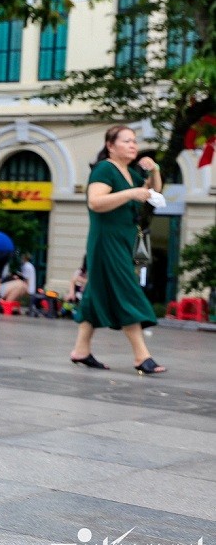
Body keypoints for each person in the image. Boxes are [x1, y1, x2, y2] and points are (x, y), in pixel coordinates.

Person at [69, 125, 165, 374]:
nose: (133, 145)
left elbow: (154, 192)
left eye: (134, 141)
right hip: (106, 240)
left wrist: (154, 169)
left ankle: (81, 350)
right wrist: (130, 193)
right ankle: (141, 356)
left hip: (123, 240)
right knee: (127, 291)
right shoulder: (104, 169)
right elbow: (95, 202)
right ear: (111, 146)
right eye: (127, 141)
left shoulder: (130, 173)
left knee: (95, 295)